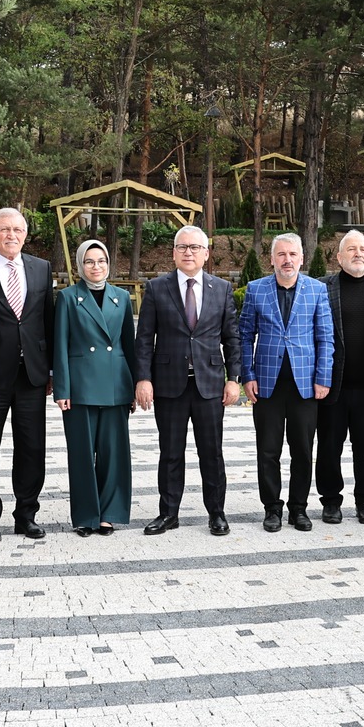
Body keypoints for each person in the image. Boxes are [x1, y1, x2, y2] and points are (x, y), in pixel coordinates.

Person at [135, 224, 241, 537]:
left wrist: (233, 378)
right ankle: (168, 514)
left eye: (195, 247)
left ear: (206, 254)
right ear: (174, 253)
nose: (189, 252)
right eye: (183, 247)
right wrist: (143, 378)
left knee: (212, 452)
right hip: (169, 385)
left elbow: (232, 338)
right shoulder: (156, 288)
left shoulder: (220, 289)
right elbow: (143, 340)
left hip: (209, 385)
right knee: (170, 452)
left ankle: (217, 513)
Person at [0, 208, 55, 542]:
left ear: (25, 234)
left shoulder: (40, 268)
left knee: (32, 447)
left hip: (31, 375)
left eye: (18, 229)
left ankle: (26, 514)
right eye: (4, 229)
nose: (11, 236)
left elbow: (47, 320)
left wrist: (50, 370)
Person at [239, 233, 334, 532]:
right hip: (266, 384)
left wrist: (323, 377)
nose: (287, 260)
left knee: (303, 451)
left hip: (305, 384)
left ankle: (298, 508)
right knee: (268, 450)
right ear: (272, 259)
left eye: (293, 254)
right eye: (281, 254)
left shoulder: (317, 290)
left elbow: (325, 337)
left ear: (302, 258)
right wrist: (247, 375)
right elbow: (243, 336)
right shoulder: (256, 290)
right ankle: (272, 508)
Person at [54, 240, 136, 536]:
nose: (96, 266)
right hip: (80, 387)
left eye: (101, 260)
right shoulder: (67, 297)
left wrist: (135, 385)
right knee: (81, 454)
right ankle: (86, 516)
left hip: (116, 385)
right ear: (80, 265)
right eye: (89, 261)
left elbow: (129, 343)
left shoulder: (122, 297)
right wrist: (62, 389)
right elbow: (60, 346)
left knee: (114, 453)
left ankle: (109, 513)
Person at [315, 230, 364, 525]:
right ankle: (331, 502)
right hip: (332, 386)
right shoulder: (322, 287)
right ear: (338, 257)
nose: (357, 253)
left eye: (363, 249)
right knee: (328, 448)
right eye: (351, 249)